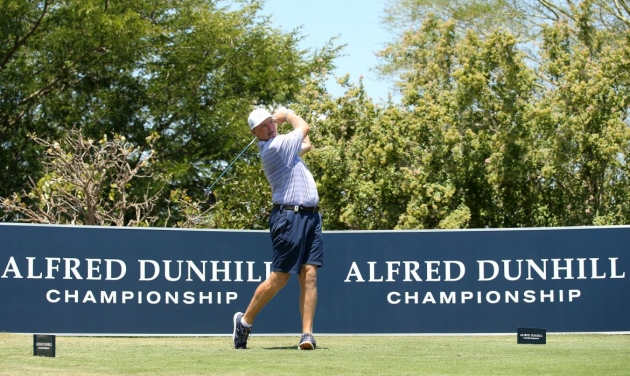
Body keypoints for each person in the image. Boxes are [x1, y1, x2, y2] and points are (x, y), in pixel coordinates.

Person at [232, 106, 323, 350]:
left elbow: (307, 143)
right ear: (255, 133)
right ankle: (244, 322)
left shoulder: (284, 146)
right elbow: (304, 128)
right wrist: (288, 113)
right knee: (280, 278)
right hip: (288, 217)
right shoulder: (274, 147)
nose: (270, 127)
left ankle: (307, 335)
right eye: (264, 125)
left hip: (311, 217)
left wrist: (279, 121)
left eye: (271, 122)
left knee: (310, 274)